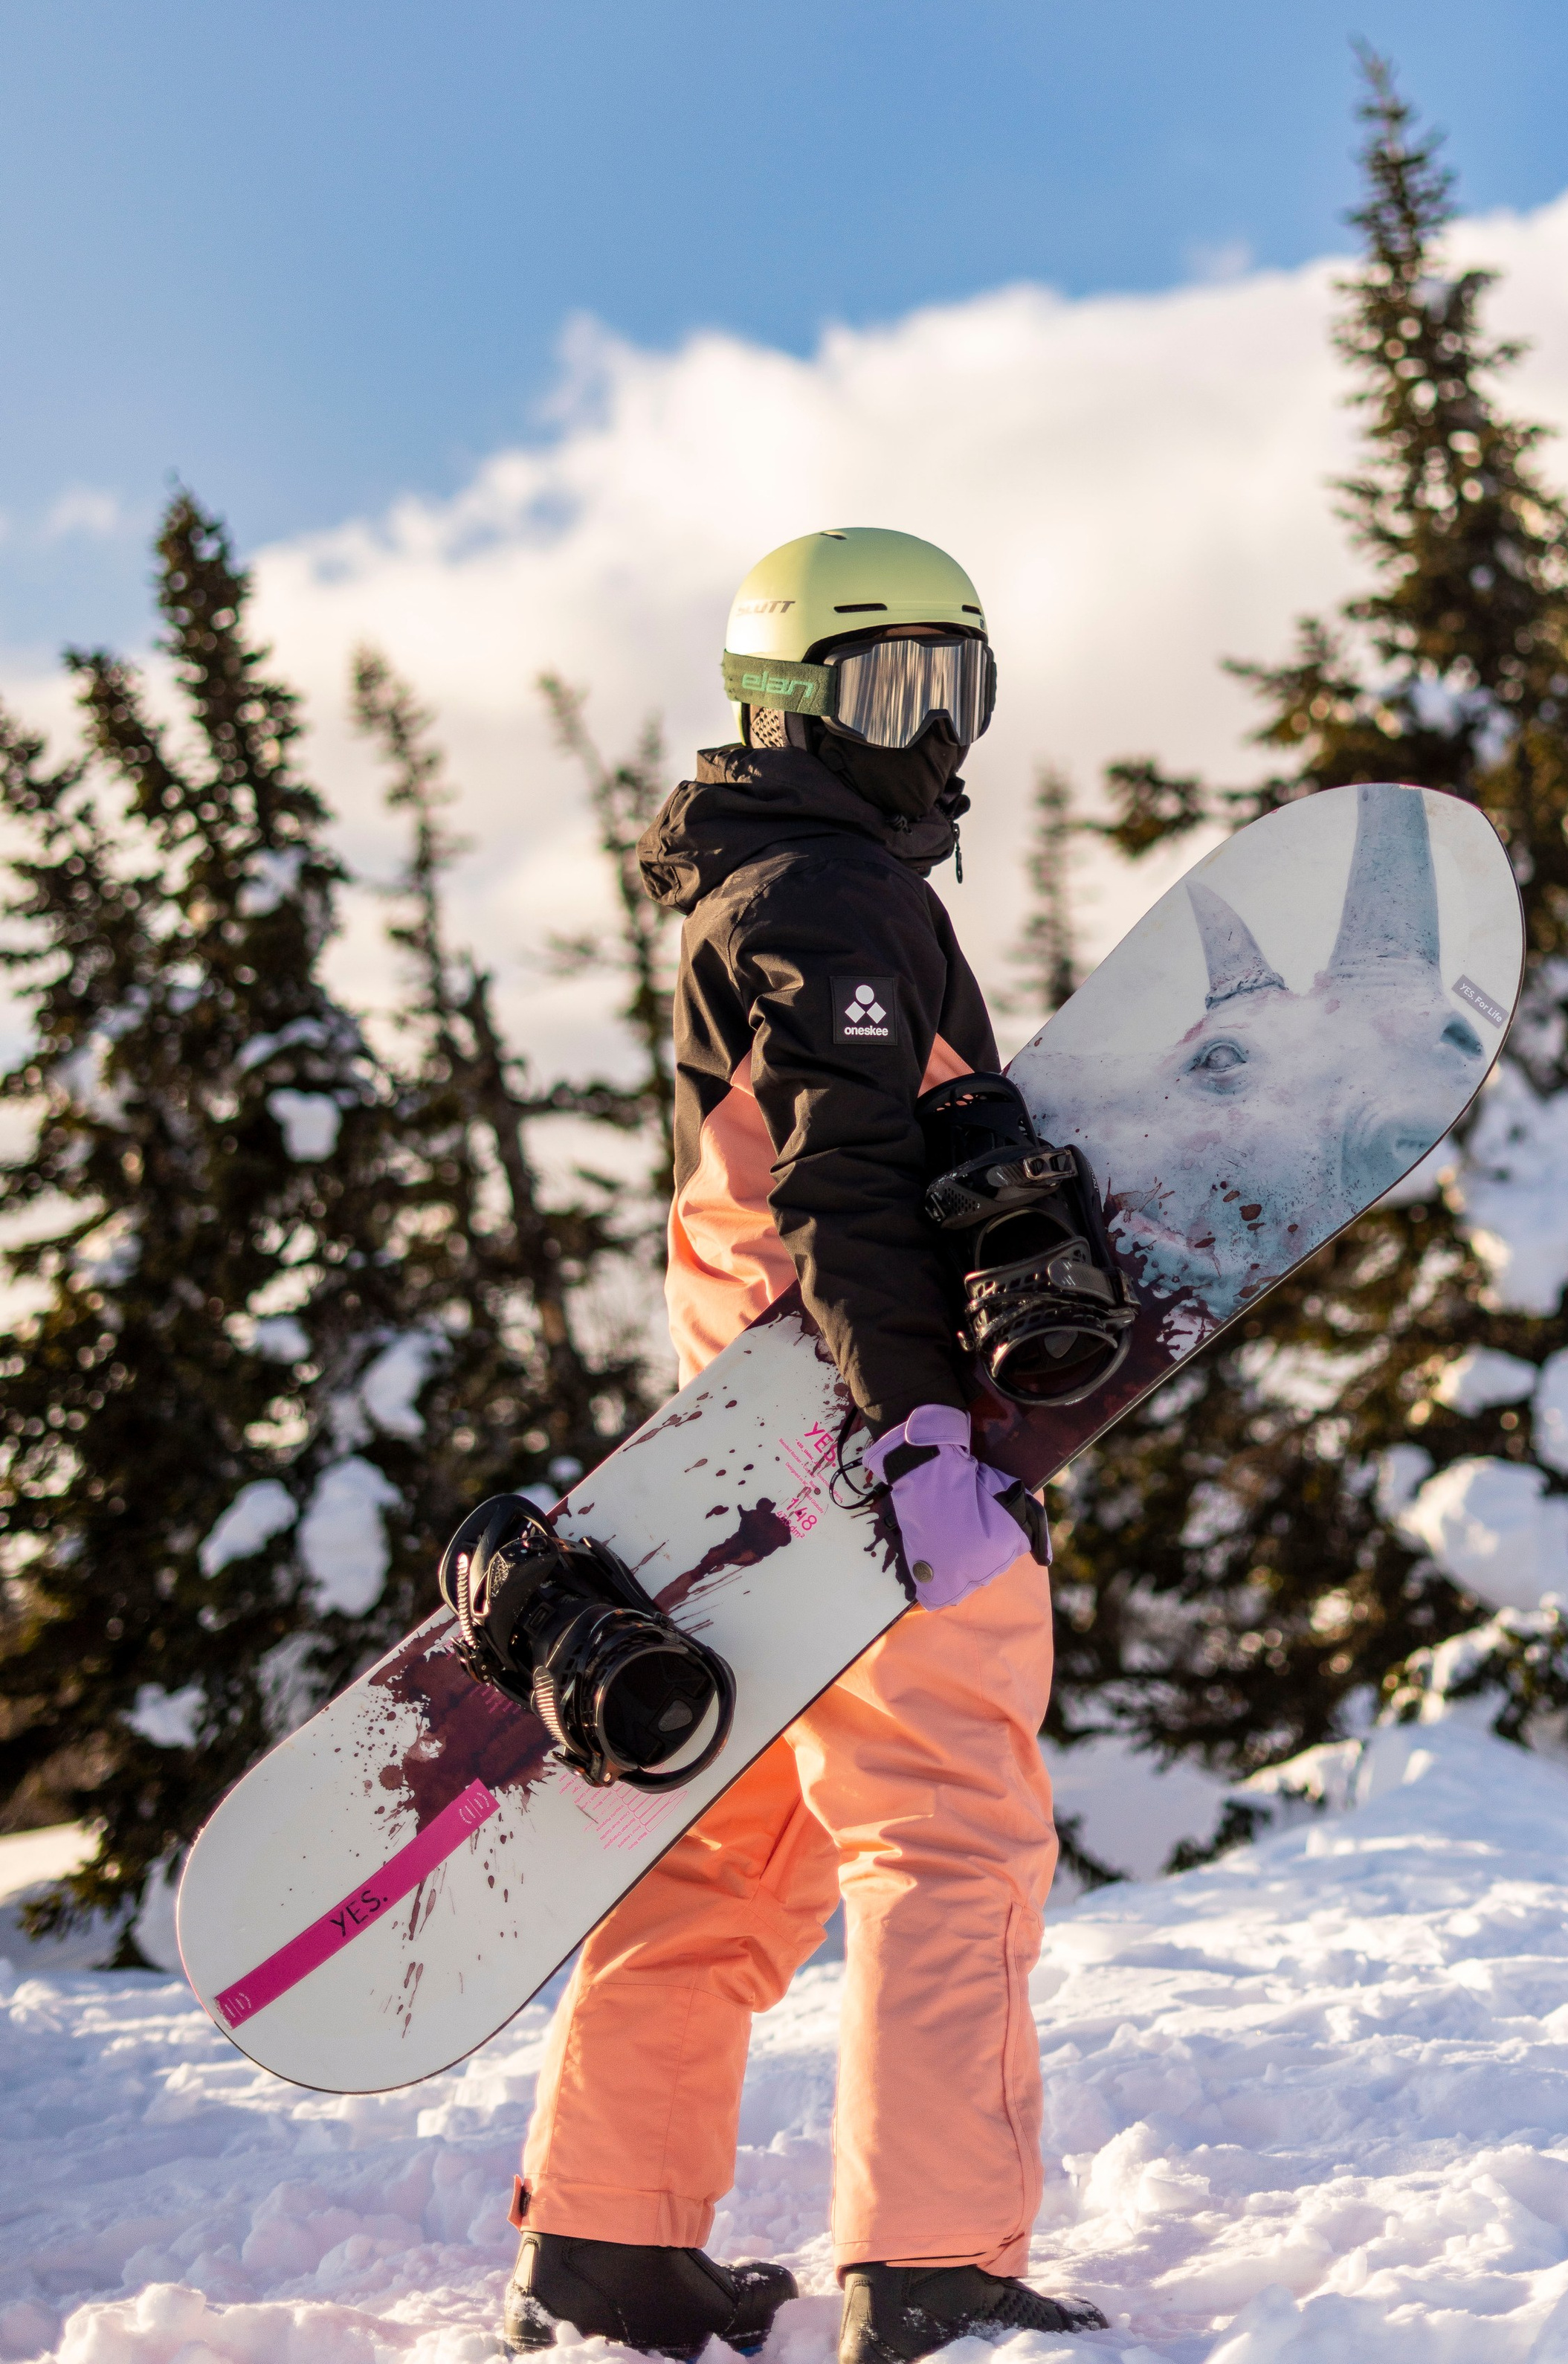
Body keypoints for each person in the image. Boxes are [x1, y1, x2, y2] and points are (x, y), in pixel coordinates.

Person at [503, 528, 1108, 2364]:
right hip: (855, 1422)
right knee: (947, 1829)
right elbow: (847, 1179)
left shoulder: (769, 882)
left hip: (755, 1427)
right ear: (784, 704)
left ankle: (605, 2247)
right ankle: (934, 2268)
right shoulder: (822, 898)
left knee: (731, 1843)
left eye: (954, 688)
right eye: (881, 691)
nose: (927, 736)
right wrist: (924, 1431)